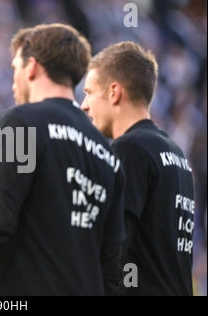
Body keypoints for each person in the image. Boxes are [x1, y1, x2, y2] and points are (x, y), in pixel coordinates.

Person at [0, 24, 125, 296]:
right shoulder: (109, 156)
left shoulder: (21, 122)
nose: (13, 82)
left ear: (31, 67)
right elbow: (112, 266)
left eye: (14, 70)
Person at [81, 41, 195, 296]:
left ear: (114, 92)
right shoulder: (176, 155)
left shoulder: (130, 149)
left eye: (89, 92)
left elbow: (110, 245)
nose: (84, 105)